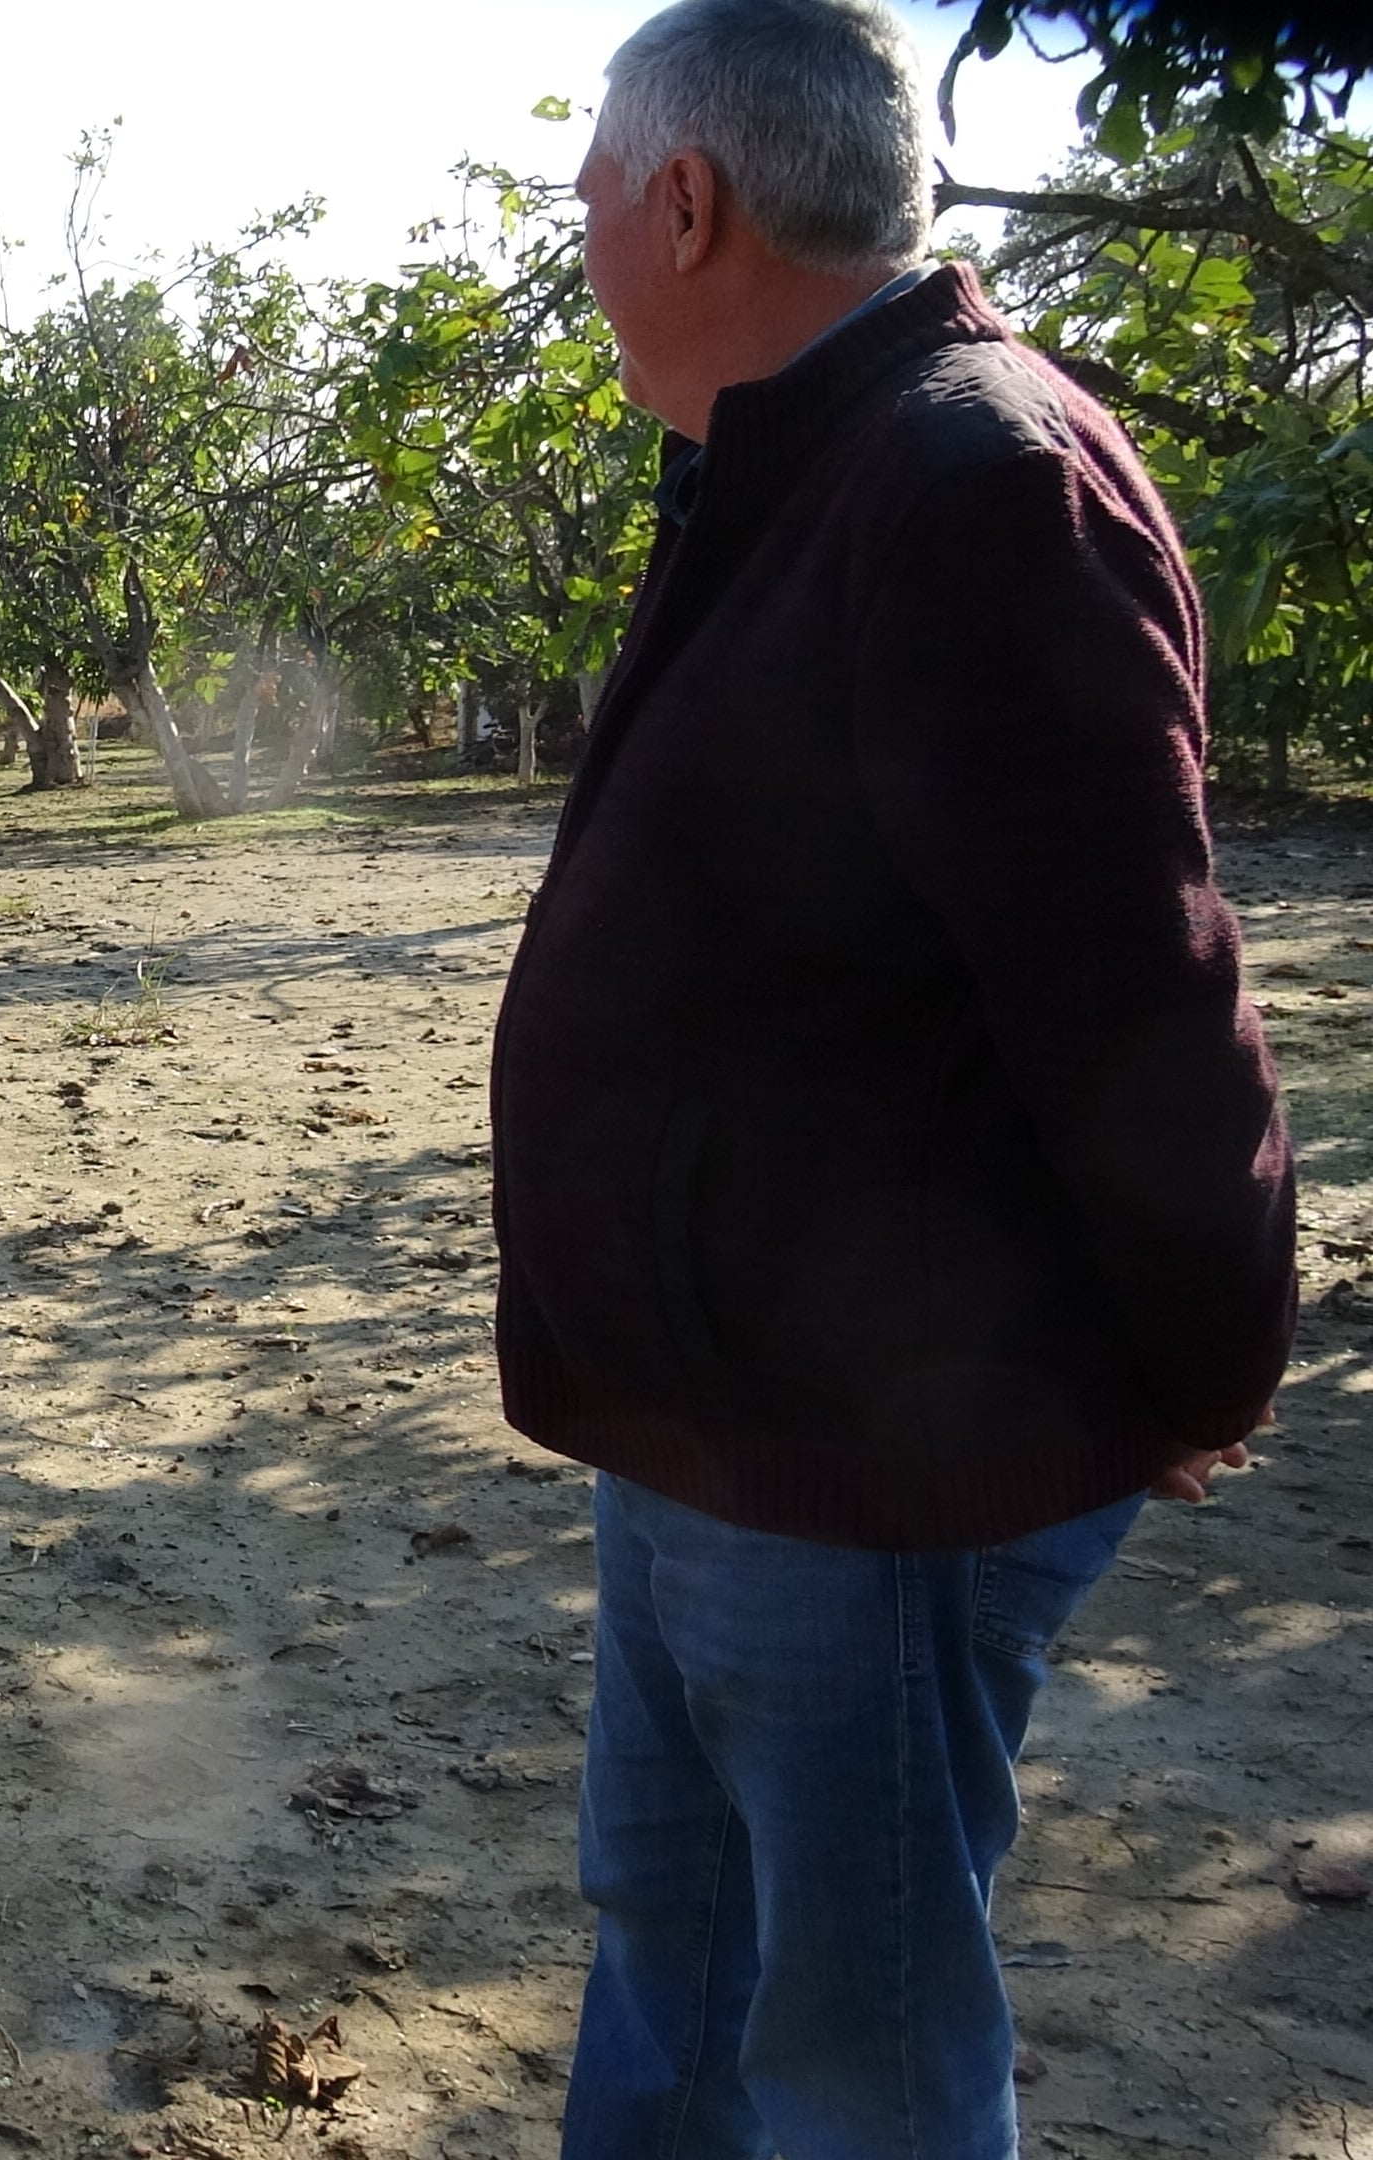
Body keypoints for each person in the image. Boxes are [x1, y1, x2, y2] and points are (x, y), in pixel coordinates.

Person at [489, 3, 1297, 2155]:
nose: (574, 230)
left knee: (853, 2030)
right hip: (703, 1422)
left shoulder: (970, 482)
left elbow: (1142, 994)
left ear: (689, 199)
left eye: (588, 186)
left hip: (870, 1457)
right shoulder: (793, 464)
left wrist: (1202, 1359)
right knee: (674, 1939)